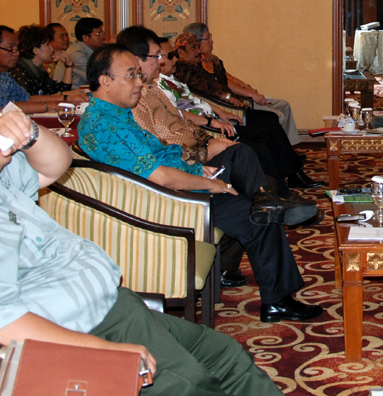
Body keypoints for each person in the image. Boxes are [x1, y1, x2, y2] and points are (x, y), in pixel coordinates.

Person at [0, 69, 282, 395]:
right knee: (198, 385)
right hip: (84, 331)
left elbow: (56, 165)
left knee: (228, 356)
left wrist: (30, 134)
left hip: (109, 305)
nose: (4, 121)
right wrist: (103, 351)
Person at [79, 46, 322, 323]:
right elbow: (161, 177)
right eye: (131, 75)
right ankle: (277, 298)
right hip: (171, 200)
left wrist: (197, 168)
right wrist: (209, 184)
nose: (139, 81)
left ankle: (267, 199)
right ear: (105, 80)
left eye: (138, 73)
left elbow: (160, 163)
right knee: (259, 218)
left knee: (241, 155)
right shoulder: (106, 125)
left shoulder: (114, 115)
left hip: (179, 183)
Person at [124, 27, 314, 192]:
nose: (163, 61)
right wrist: (206, 144)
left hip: (203, 133)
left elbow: (189, 111)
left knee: (266, 128)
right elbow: (159, 146)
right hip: (190, 152)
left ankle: (279, 192)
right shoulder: (139, 98)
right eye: (162, 56)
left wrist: (209, 135)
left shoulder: (154, 88)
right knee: (255, 146)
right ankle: (275, 196)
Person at [171, 23, 300, 145]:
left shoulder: (201, 63)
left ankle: (288, 154)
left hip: (229, 105)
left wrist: (217, 63)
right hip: (224, 109)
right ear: (181, 52)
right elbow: (211, 90)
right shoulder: (185, 71)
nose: (198, 51)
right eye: (207, 38)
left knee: (274, 116)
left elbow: (224, 82)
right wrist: (231, 98)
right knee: (272, 121)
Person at [0, 25, 78, 114]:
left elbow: (25, 99)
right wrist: (53, 105)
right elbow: (3, 108)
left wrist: (62, 101)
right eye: (11, 48)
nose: (16, 53)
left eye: (17, 48)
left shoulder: (3, 72)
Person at [13, 24, 73, 96]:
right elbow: (28, 101)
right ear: (35, 50)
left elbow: (60, 90)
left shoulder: (39, 69)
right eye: (47, 44)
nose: (52, 49)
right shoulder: (19, 70)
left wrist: (69, 64)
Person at [68, 17, 105, 88]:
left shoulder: (96, 49)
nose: (103, 37)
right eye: (98, 34)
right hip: (69, 94)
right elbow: (94, 78)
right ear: (85, 37)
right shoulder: (77, 52)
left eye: (102, 33)